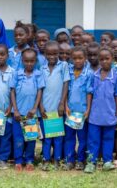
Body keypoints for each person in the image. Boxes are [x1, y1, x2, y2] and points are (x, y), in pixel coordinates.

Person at [84, 47, 117, 173]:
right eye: (101, 59)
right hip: (95, 115)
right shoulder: (94, 75)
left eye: (107, 59)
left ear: (112, 59)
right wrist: (88, 110)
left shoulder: (116, 77)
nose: (104, 61)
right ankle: (91, 162)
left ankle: (107, 161)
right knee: (93, 140)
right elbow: (89, 94)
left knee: (108, 139)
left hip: (109, 115)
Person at [10, 48, 45, 171]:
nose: (29, 64)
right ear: (22, 60)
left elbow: (40, 91)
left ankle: (29, 160)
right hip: (18, 114)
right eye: (26, 61)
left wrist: (35, 108)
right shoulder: (17, 73)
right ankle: (18, 161)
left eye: (32, 61)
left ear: (35, 61)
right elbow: (12, 91)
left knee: (30, 138)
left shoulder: (38, 74)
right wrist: (16, 109)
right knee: (18, 138)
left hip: (32, 114)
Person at [39, 41, 70, 171]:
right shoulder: (42, 68)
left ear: (59, 54)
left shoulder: (63, 66)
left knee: (58, 137)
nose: (52, 56)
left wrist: (62, 103)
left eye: (55, 54)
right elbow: (39, 89)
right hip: (46, 109)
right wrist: (40, 106)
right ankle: (46, 159)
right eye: (49, 54)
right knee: (46, 138)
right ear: (45, 54)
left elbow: (65, 85)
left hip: (58, 109)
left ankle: (57, 159)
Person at [64, 46, 92, 171]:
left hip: (82, 112)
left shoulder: (89, 73)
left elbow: (89, 92)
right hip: (70, 112)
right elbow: (64, 90)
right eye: (74, 58)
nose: (78, 61)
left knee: (82, 138)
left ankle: (81, 160)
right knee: (69, 137)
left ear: (85, 58)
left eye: (80, 58)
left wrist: (88, 109)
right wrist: (65, 105)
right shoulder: (68, 71)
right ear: (71, 59)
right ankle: (69, 160)